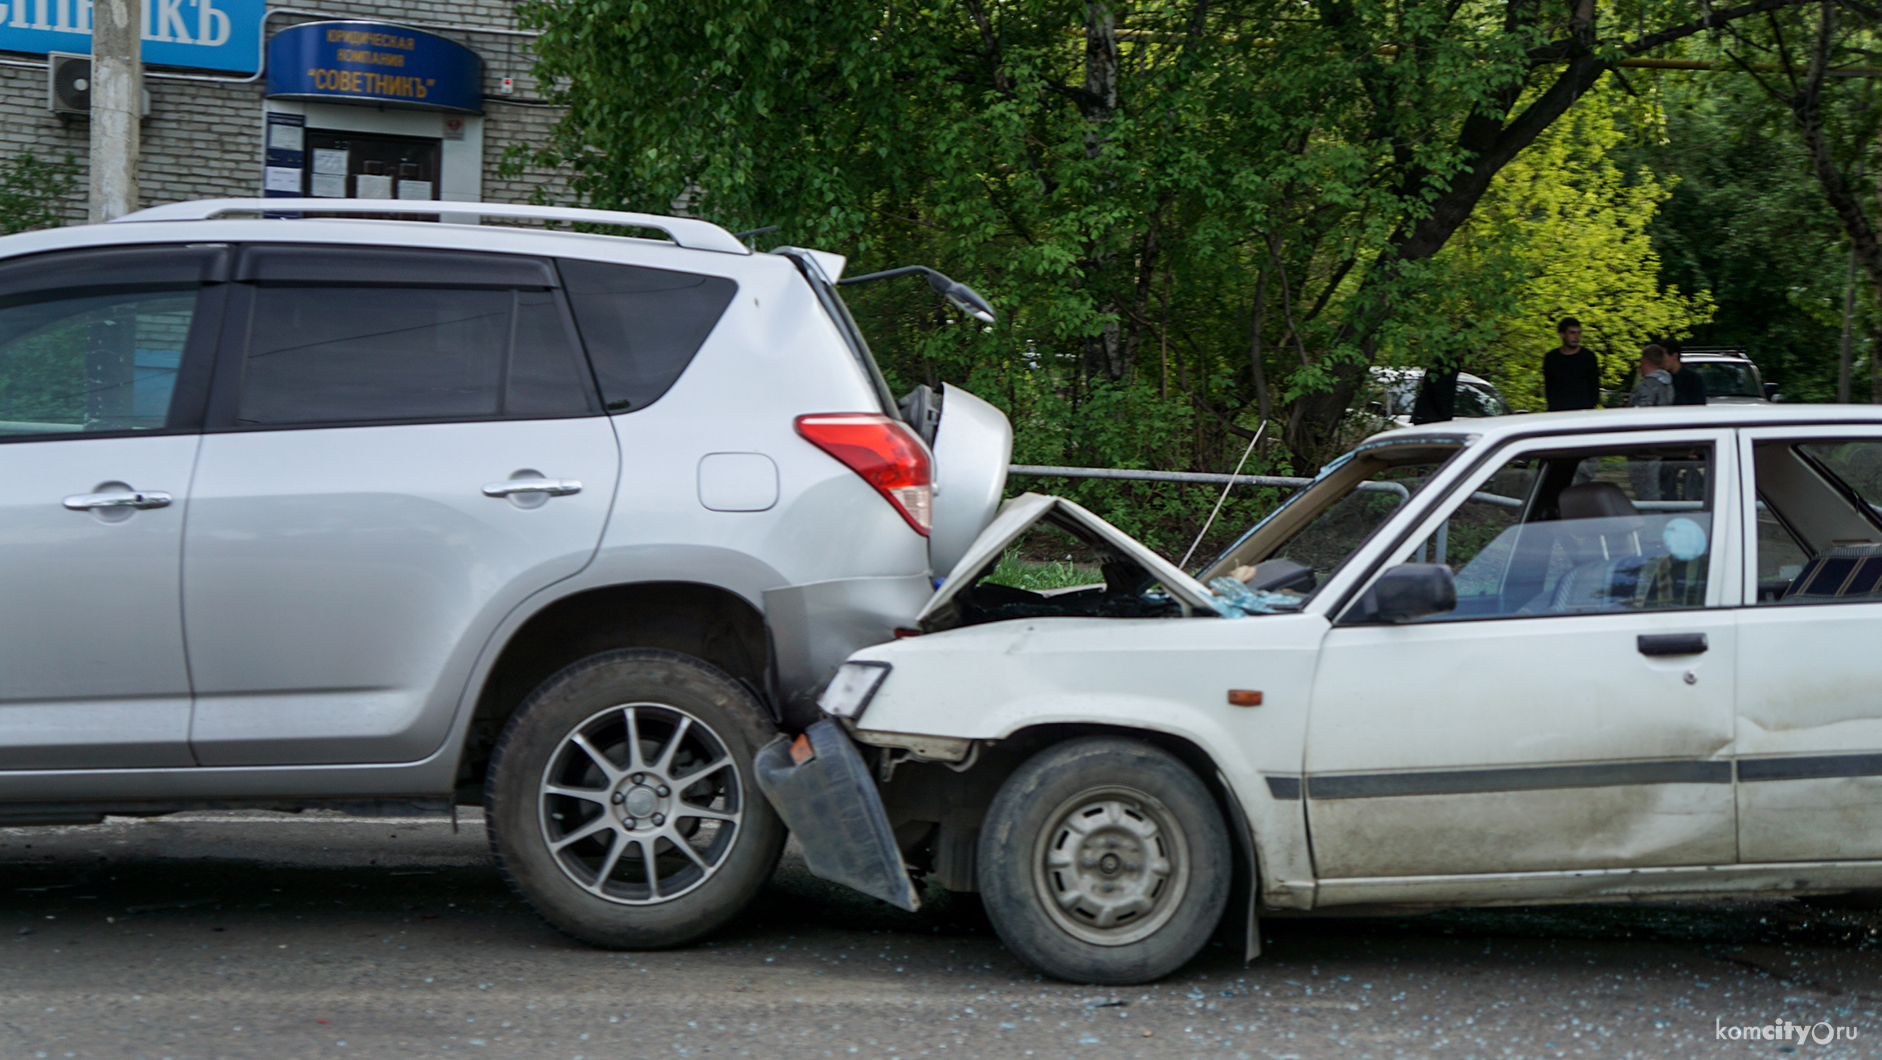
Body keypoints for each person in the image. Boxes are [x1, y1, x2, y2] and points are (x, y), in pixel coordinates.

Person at [1543, 317, 1601, 410]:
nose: (1576, 337)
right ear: (1562, 334)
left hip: (1583, 411)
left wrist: (1591, 406)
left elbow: (1594, 385)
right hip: (1558, 411)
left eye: (1579, 333)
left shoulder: (1588, 357)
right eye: (1572, 333)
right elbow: (1549, 385)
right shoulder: (1552, 358)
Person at [1660, 339, 1708, 406]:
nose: (1660, 360)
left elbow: (1698, 406)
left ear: (1675, 356)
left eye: (1663, 356)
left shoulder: (1693, 379)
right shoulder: (1662, 379)